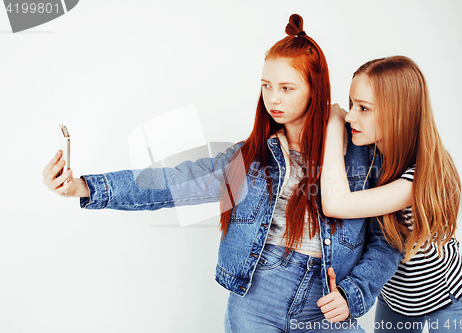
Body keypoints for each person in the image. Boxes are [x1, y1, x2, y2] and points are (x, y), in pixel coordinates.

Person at [42, 15, 401, 332]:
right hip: (258, 297)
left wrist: (354, 294)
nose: (272, 99)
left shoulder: (362, 155)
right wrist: (83, 186)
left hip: (327, 304)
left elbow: (388, 240)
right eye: (266, 85)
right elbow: (173, 183)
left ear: (314, 89)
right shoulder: (251, 157)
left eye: (287, 88)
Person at [321, 56, 462, 333]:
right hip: (394, 303)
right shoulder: (370, 157)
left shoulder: (419, 175)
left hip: (446, 300)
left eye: (363, 108)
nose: (350, 116)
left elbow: (336, 203)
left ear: (398, 114)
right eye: (350, 104)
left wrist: (333, 129)